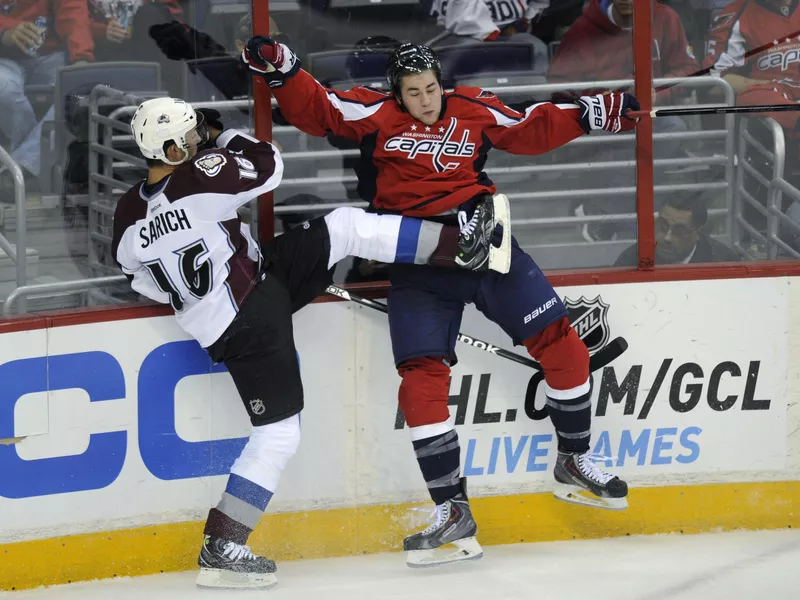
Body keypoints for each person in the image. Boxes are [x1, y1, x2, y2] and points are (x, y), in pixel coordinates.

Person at [241, 38, 639, 567]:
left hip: (487, 249)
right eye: (414, 92)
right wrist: (285, 70)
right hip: (418, 265)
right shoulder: (378, 114)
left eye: (431, 89)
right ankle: (452, 510)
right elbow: (322, 110)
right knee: (421, 382)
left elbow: (531, 125)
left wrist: (592, 114)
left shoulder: (471, 108)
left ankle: (575, 459)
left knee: (563, 346)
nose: (427, 100)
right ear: (397, 94)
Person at [111, 97, 509, 589]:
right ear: (170, 148)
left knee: (342, 228)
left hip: (246, 297)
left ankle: (460, 248)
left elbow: (137, 277)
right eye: (189, 137)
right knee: (278, 434)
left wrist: (197, 291)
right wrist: (225, 138)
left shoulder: (127, 214)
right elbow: (268, 165)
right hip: (252, 316)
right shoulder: (200, 176)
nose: (197, 141)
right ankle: (222, 544)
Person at [0, 0, 93, 191]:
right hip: (4, 55)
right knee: (4, 90)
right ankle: (33, 167)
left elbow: (74, 14)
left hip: (51, 55)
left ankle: (18, 170)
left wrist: (81, 57)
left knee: (76, 94)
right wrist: (5, 31)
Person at [705, 0, 800, 143]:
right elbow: (713, 82)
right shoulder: (736, 15)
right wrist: (768, 85)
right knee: (750, 99)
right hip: (770, 105)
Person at [428, 0, 550, 77]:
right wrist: (497, 35)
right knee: (467, 54)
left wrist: (526, 19)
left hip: (511, 33)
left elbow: (540, 4)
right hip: (463, 35)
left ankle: (540, 98)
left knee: (536, 47)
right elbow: (464, 20)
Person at [614, 195, 740, 265]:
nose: (666, 238)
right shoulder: (634, 258)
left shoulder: (722, 262)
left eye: (679, 232)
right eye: (662, 226)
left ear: (699, 234)